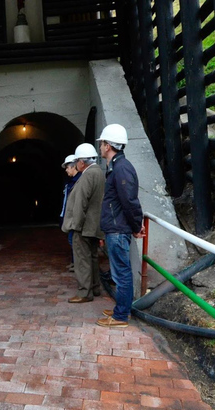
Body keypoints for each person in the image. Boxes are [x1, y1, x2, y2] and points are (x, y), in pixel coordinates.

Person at [96, 124, 145, 328]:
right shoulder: (118, 166)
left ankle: (120, 316)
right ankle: (121, 309)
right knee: (120, 273)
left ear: (108, 146)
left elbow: (129, 201)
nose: (100, 146)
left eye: (102, 143)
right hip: (116, 228)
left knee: (121, 274)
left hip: (118, 230)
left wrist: (136, 225)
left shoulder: (121, 168)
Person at [61, 143, 105, 302]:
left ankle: (84, 292)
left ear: (81, 162)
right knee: (92, 257)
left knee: (82, 259)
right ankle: (95, 287)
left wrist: (75, 225)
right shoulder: (98, 172)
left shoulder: (87, 175)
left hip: (84, 226)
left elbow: (81, 202)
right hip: (93, 225)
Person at [59, 154, 79, 272]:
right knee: (71, 239)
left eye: (67, 167)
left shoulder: (78, 181)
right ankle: (74, 261)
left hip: (74, 217)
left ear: (73, 166)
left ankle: (77, 263)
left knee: (74, 240)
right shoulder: (69, 182)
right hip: (68, 215)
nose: (66, 170)